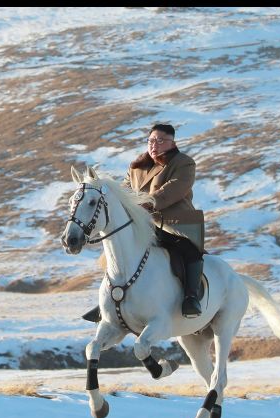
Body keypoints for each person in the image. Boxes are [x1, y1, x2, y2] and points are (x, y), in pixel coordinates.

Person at [82, 123, 205, 322]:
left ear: (172, 143)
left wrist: (145, 204)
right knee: (116, 251)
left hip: (174, 223)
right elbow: (124, 191)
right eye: (150, 141)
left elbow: (173, 190)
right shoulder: (137, 166)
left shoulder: (184, 163)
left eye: (160, 140)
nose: (154, 145)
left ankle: (191, 297)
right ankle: (110, 300)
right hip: (142, 223)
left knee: (189, 251)